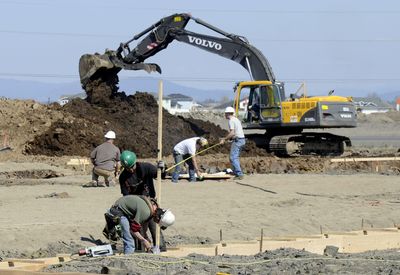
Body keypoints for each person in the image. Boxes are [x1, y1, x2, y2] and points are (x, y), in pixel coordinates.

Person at [118, 150, 166, 251]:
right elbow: (126, 197)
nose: (130, 170)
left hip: (151, 204)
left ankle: (160, 248)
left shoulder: (146, 167)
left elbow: (161, 175)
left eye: (132, 167)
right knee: (139, 235)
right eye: (127, 168)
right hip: (137, 209)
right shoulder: (123, 177)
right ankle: (141, 248)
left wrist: (162, 168)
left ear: (135, 162)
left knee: (156, 231)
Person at [103, 195, 175, 254]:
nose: (156, 223)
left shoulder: (152, 208)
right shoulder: (146, 212)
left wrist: (145, 238)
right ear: (158, 218)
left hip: (123, 209)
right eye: (158, 222)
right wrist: (144, 241)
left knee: (131, 236)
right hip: (118, 212)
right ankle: (128, 259)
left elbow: (142, 227)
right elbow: (133, 229)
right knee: (129, 241)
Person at [220, 107, 246, 180]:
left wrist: (224, 139)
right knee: (235, 157)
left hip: (238, 141)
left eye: (225, 113)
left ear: (228, 113)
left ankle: (239, 174)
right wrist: (231, 138)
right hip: (242, 140)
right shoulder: (236, 119)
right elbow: (236, 132)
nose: (224, 115)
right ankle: (237, 172)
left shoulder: (231, 120)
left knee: (233, 158)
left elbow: (232, 133)